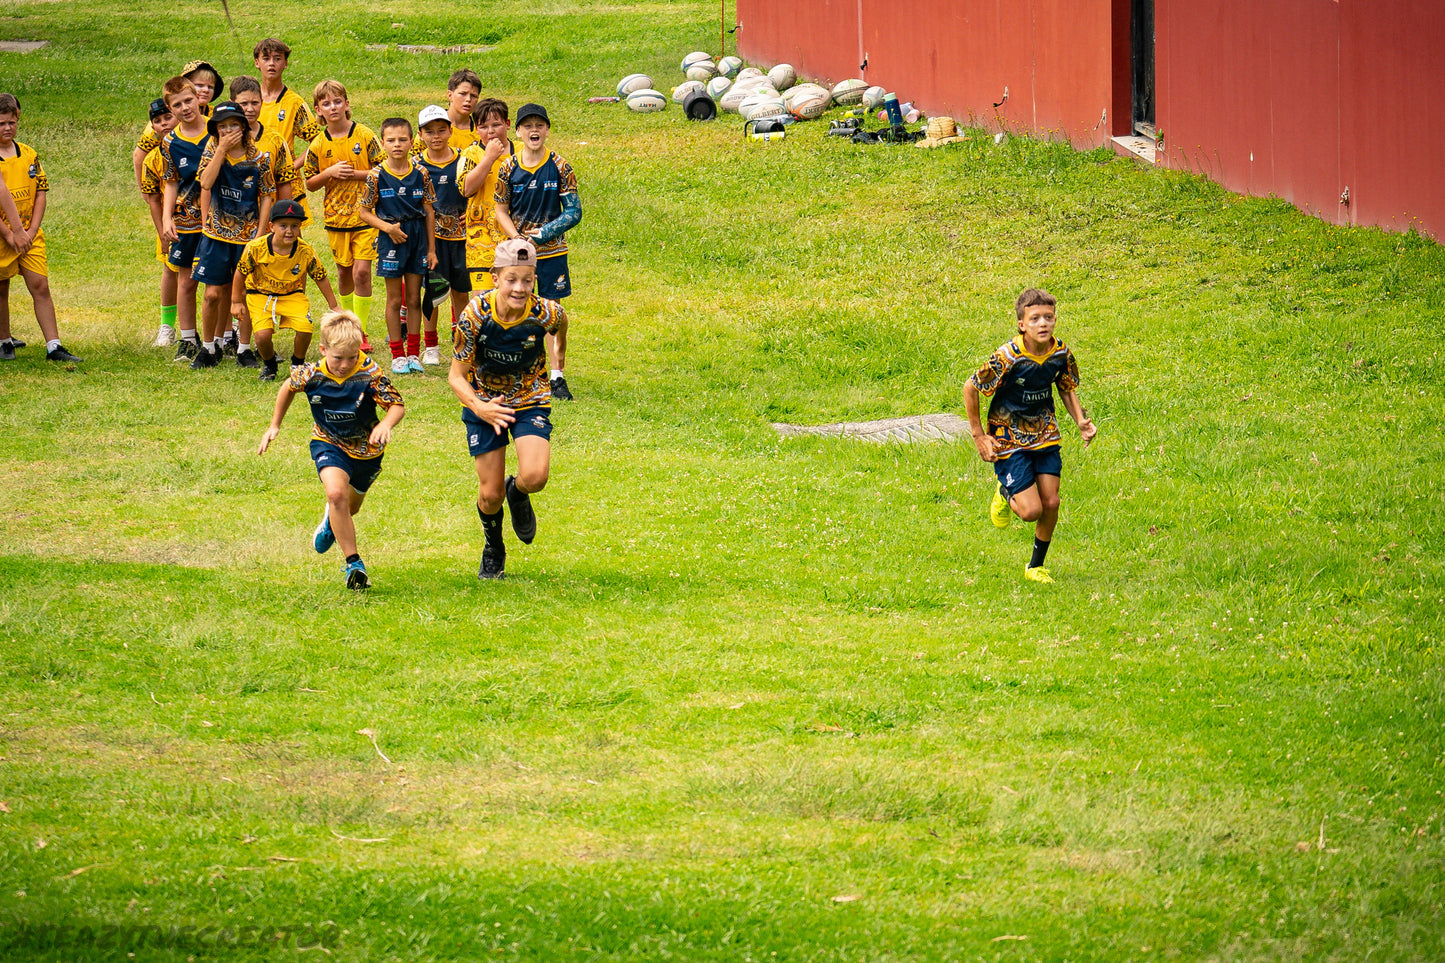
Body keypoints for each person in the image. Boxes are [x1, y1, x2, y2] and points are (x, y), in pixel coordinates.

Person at [448, 238, 568, 580]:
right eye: (512, 279)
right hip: (483, 401)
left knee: (535, 476)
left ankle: (518, 492)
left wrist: (557, 363)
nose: (519, 288)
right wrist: (480, 407)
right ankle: (494, 547)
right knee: (489, 495)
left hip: (529, 397)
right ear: (495, 277)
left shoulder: (546, 312)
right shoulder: (474, 316)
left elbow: (561, 328)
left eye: (527, 280)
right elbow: (456, 376)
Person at [258, 310, 403, 590]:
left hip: (368, 453)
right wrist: (274, 425)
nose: (345, 364)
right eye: (338, 358)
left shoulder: (369, 372)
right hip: (328, 442)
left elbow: (396, 404)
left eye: (352, 357)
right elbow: (288, 388)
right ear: (324, 350)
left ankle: (330, 522)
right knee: (336, 493)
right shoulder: (311, 373)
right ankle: (354, 564)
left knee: (350, 507)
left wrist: (386, 424)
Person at [963, 288, 1096, 583]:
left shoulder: (1060, 352)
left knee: (1052, 503)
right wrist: (978, 436)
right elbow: (971, 387)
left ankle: (1035, 567)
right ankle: (1005, 491)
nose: (1043, 323)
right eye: (1035, 318)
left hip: (1045, 434)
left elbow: (1065, 385)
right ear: (1022, 324)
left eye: (1048, 317)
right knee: (1031, 511)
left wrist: (1081, 421)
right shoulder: (1007, 357)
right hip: (1008, 437)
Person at [493, 103, 579, 400]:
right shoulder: (508, 166)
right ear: (517, 131)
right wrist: (517, 238)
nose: (533, 130)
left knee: (552, 312)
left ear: (547, 130)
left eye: (539, 125)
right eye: (527, 125)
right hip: (518, 254)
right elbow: (500, 209)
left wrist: (540, 236)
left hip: (552, 251)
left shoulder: (560, 166)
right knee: (515, 309)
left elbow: (574, 212)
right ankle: (520, 370)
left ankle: (556, 377)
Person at [190, 101, 275, 370]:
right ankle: (207, 347)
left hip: (248, 238)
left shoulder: (260, 159)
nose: (228, 131)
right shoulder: (212, 151)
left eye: (233, 126)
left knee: (248, 293)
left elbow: (267, 196)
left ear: (244, 128)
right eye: (222, 127)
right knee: (212, 294)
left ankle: (244, 348)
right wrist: (221, 151)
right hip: (216, 236)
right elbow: (205, 182)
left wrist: (259, 235)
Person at [0, 92, 81, 363]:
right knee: (1, 288)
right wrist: (10, 233)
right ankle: (4, 341)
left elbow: (41, 193)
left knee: (40, 286)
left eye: (12, 122)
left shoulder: (29, 154)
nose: (7, 128)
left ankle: (54, 346)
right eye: (1, 123)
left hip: (29, 233)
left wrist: (31, 231)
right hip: (5, 236)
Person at [303, 80, 381, 346]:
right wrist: (329, 173)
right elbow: (310, 183)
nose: (332, 107)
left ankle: (361, 332)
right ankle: (347, 325)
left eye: (337, 101)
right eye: (326, 103)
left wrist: (356, 174)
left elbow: (385, 171)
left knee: (361, 272)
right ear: (319, 110)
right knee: (344, 272)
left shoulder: (365, 135)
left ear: (347, 104)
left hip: (365, 216)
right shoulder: (317, 144)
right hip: (336, 220)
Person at [356, 117, 436, 374]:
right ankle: (397, 354)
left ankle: (414, 353)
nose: (397, 145)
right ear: (383, 143)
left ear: (412, 142)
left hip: (417, 238)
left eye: (402, 139)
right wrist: (387, 228)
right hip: (390, 238)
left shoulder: (421, 173)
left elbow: (429, 211)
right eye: (391, 140)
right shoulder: (376, 175)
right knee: (393, 299)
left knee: (414, 298)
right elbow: (363, 212)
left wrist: (432, 249)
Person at [236, 198, 338, 381]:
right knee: (262, 337)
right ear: (271, 226)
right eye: (283, 226)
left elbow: (320, 276)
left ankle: (298, 364)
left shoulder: (305, 251)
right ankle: (269, 364)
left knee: (306, 327)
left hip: (292, 294)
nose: (289, 231)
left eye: (294, 226)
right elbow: (240, 273)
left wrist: (333, 305)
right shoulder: (255, 248)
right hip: (260, 295)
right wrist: (236, 301)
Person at [159, 75, 212, 360]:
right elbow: (170, 181)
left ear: (199, 99)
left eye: (189, 100)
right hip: (186, 220)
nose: (185, 108)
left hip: (219, 217)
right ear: (171, 109)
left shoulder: (216, 131)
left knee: (220, 280)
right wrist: (167, 218)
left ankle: (223, 338)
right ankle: (188, 338)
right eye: (177, 105)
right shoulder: (170, 142)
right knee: (186, 281)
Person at [415, 105, 469, 366]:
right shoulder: (417, 166)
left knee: (461, 293)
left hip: (462, 240)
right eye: (429, 131)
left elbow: (476, 191)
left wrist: (470, 212)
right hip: (431, 243)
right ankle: (431, 345)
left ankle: (462, 342)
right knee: (432, 294)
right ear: (421, 134)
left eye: (441, 130)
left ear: (450, 130)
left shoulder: (464, 160)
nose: (436, 136)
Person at [253, 38, 323, 216]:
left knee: (290, 232)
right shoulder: (249, 100)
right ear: (257, 62)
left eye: (277, 58)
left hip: (285, 181)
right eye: (266, 58)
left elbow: (317, 140)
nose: (271, 64)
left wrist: (293, 165)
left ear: (285, 63)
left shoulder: (294, 102)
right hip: (252, 179)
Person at [137, 98, 181, 347]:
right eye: (158, 120)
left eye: (167, 117)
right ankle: (167, 326)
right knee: (170, 270)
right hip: (169, 223)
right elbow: (153, 199)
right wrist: (161, 231)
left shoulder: (197, 144)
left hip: (200, 220)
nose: (164, 123)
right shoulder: (153, 158)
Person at [458, 98, 512, 296]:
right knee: (483, 303)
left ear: (507, 124)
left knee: (515, 299)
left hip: (513, 238)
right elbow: (466, 189)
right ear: (476, 129)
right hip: (481, 243)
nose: (490, 131)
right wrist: (489, 158)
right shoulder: (471, 154)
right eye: (483, 126)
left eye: (496, 125)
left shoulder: (522, 152)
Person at [230, 75, 298, 201]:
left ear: (262, 102)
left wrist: (282, 218)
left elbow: (284, 184)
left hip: (268, 216)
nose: (250, 109)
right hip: (231, 217)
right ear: (232, 103)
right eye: (244, 104)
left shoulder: (276, 140)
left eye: (255, 103)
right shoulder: (223, 139)